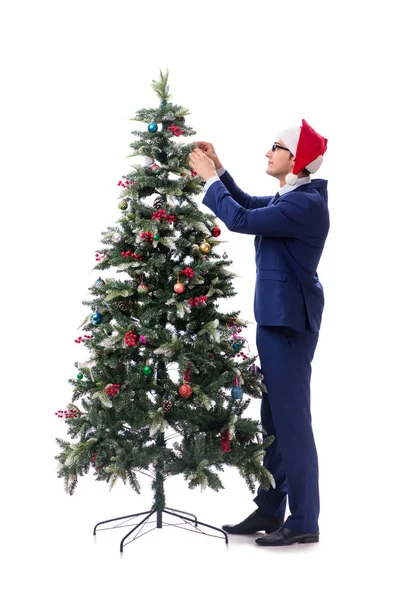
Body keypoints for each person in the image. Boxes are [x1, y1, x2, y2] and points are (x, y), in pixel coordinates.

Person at [188, 119, 329, 547]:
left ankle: (304, 519)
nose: (268, 153)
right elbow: (249, 204)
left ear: (296, 160)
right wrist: (221, 169)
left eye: (276, 147)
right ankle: (271, 509)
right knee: (274, 421)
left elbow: (242, 219)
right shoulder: (292, 197)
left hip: (288, 324)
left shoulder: (303, 204)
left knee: (292, 424)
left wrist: (210, 180)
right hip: (276, 320)